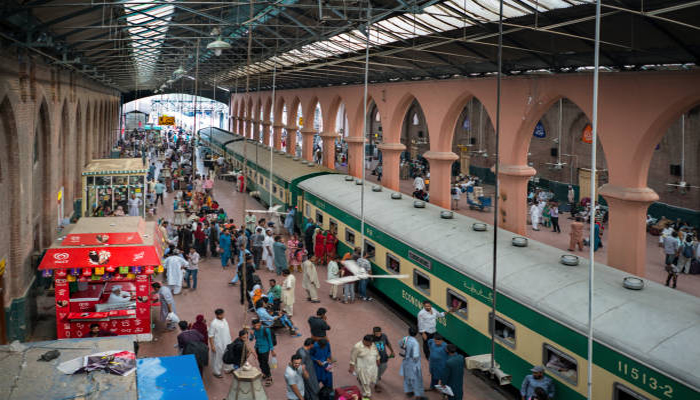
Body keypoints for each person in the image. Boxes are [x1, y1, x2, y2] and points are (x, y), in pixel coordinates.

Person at [349, 334, 380, 399]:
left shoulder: (373, 344)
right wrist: (351, 367)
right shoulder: (357, 347)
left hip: (373, 367)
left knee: (371, 380)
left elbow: (376, 353)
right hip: (362, 368)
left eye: (372, 342)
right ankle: (367, 395)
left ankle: (360, 380)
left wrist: (378, 359)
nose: (371, 344)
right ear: (365, 341)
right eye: (370, 343)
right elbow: (353, 358)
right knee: (365, 382)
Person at [400, 326, 424, 399]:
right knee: (416, 379)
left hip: (405, 361)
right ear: (416, 334)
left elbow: (401, 346)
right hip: (413, 363)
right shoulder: (415, 343)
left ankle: (408, 391)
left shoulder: (405, 339)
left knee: (407, 377)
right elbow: (415, 356)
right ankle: (418, 395)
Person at [250, 319, 276, 386]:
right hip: (257, 348)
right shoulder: (254, 330)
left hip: (265, 348)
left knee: (265, 363)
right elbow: (251, 339)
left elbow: (270, 340)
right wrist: (251, 334)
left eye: (257, 325)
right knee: (260, 362)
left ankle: (269, 377)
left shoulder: (266, 330)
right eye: (255, 326)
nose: (256, 327)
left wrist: (272, 350)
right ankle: (264, 373)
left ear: (260, 323)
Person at [209, 308, 233, 378]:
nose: (223, 315)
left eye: (223, 314)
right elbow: (210, 336)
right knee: (218, 358)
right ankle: (216, 372)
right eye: (221, 314)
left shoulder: (224, 320)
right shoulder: (214, 323)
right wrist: (212, 346)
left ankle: (228, 368)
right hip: (218, 344)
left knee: (228, 355)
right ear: (217, 315)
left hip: (227, 342)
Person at [372, 326, 394, 393]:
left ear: (381, 332)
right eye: (376, 333)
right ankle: (376, 385)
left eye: (379, 333)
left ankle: (377, 377)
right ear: (373, 333)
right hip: (374, 359)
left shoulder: (384, 336)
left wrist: (392, 351)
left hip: (384, 357)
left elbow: (388, 343)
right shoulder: (371, 338)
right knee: (376, 372)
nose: (378, 335)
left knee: (383, 368)